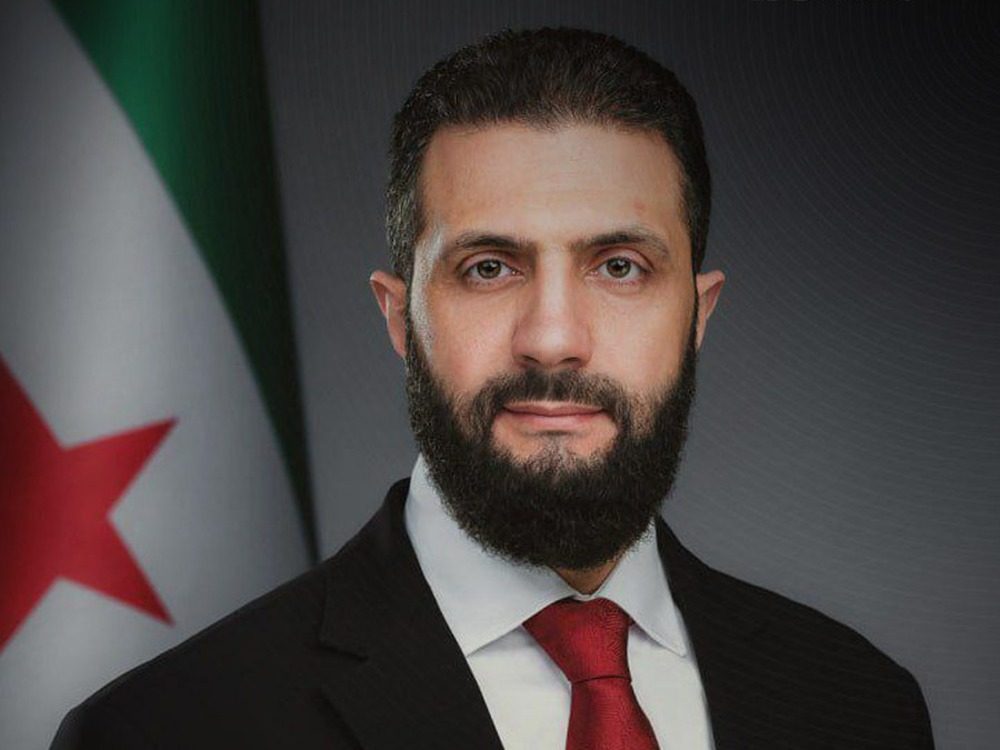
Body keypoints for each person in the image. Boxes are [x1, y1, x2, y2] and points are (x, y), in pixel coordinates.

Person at [52, 27, 934, 749]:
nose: (552, 337)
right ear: (400, 318)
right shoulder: (165, 730)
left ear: (697, 316)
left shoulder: (861, 706)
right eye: (487, 268)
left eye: (619, 266)